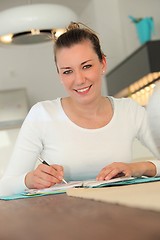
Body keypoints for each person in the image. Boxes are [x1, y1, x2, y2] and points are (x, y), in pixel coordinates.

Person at [0, 22, 160, 197]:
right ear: (59, 75)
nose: (79, 80)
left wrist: (137, 168)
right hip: (65, 217)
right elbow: (4, 187)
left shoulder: (130, 111)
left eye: (86, 66)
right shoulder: (42, 114)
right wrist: (29, 179)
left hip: (121, 211)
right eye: (68, 71)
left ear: (103, 63)